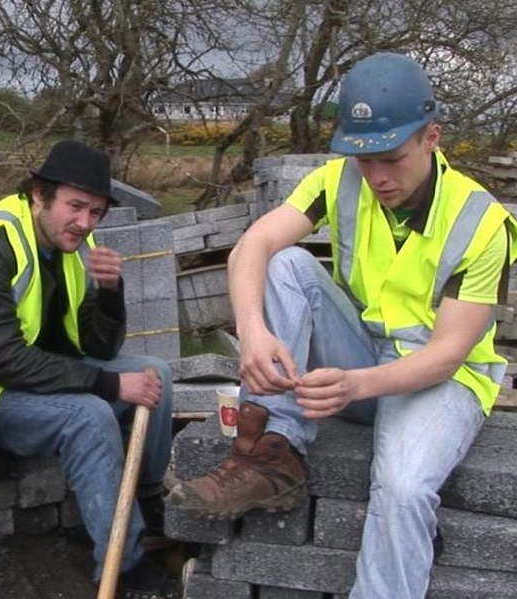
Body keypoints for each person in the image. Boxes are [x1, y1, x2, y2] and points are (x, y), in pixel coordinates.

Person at [170, 52, 517, 598]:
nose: (377, 176)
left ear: (432, 136)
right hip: (362, 354)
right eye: (365, 160)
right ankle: (273, 451)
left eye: (393, 158)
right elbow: (252, 246)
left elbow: (448, 354)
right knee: (286, 263)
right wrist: (254, 331)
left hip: (439, 381)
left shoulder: (481, 222)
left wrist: (354, 385)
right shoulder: (339, 181)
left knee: (402, 488)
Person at [0, 139, 178, 599]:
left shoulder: (74, 242)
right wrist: (108, 385)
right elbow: (0, 357)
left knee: (156, 373)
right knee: (88, 415)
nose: (85, 223)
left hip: (39, 372)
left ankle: (144, 506)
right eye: (75, 207)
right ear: (37, 193)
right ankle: (122, 563)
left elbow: (98, 347)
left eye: (95, 212)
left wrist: (111, 292)